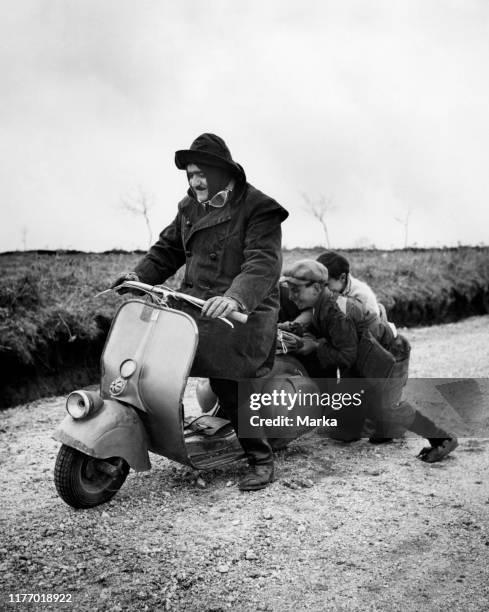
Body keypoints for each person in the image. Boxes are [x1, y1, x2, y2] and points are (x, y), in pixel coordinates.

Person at [112, 133, 288, 490]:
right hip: (194, 304)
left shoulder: (259, 208)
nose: (195, 181)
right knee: (151, 360)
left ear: (224, 171)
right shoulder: (189, 206)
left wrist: (236, 298)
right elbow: (167, 250)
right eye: (191, 174)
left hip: (243, 312)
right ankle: (160, 431)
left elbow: (262, 264)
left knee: (229, 377)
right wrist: (137, 277)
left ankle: (260, 458)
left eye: (203, 173)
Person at [282, 259, 458, 463]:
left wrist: (314, 346)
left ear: (316, 287)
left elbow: (346, 355)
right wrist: (300, 334)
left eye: (296, 290)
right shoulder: (321, 304)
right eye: (289, 289)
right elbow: (323, 332)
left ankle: (443, 438)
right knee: (344, 432)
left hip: (388, 355)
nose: (292, 296)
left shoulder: (338, 311)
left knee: (387, 410)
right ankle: (377, 420)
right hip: (361, 359)